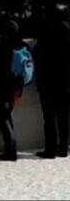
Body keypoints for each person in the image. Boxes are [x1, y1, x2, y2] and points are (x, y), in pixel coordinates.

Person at [0, 20, 30, 161]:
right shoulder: (23, 45)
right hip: (17, 86)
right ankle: (11, 147)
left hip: (0, 86)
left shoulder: (0, 45)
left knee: (3, 117)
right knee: (7, 114)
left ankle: (11, 150)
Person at [34, 18, 70, 158]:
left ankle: (50, 148)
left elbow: (36, 57)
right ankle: (63, 147)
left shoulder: (45, 41)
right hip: (66, 86)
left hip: (47, 85)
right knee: (64, 117)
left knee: (49, 118)